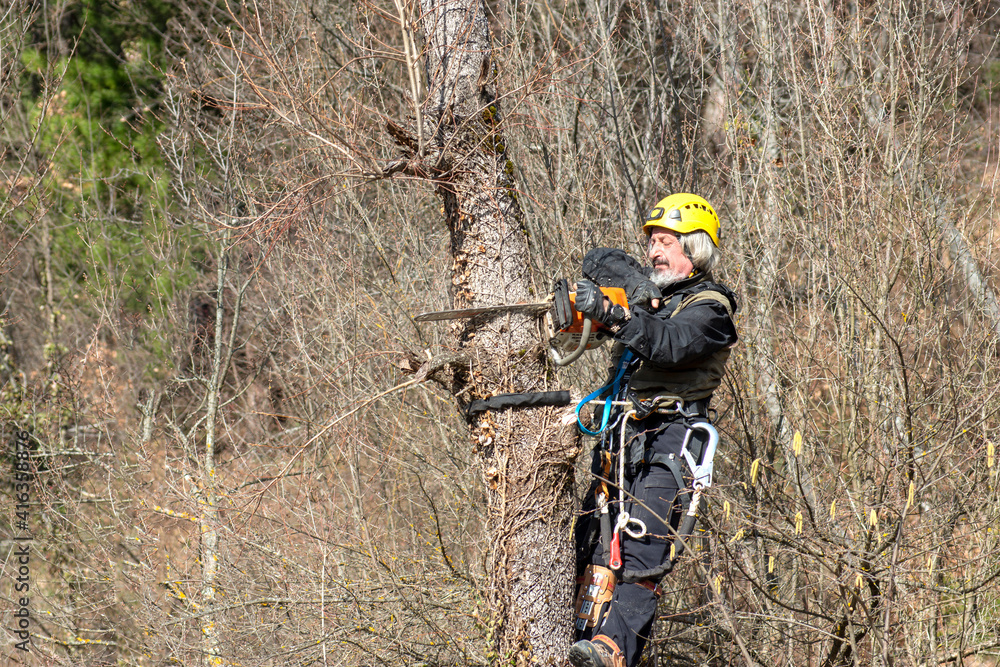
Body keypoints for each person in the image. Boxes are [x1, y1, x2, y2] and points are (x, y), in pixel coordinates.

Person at [567, 193, 739, 667]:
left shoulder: (711, 310)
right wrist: (634, 295)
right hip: (623, 436)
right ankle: (579, 637)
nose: (655, 251)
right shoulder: (654, 299)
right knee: (594, 544)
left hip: (672, 438)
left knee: (642, 551)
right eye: (653, 242)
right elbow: (599, 260)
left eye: (666, 242)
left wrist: (620, 315)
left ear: (696, 250)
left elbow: (670, 345)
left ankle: (612, 649)